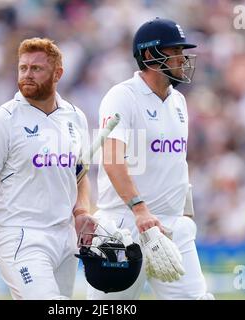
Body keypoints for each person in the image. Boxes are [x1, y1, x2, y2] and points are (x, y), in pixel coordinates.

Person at [88, 18, 214, 300]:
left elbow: (175, 162)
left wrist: (184, 213)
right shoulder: (121, 96)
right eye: (176, 50)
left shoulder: (178, 101)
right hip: (123, 226)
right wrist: (140, 210)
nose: (183, 58)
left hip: (171, 227)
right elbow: (111, 158)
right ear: (150, 55)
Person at [0, 37, 93, 299]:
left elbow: (79, 175)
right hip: (19, 236)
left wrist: (81, 211)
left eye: (36, 69)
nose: (27, 75)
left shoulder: (75, 117)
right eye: (23, 68)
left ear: (58, 74)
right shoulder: (2, 121)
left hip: (64, 237)